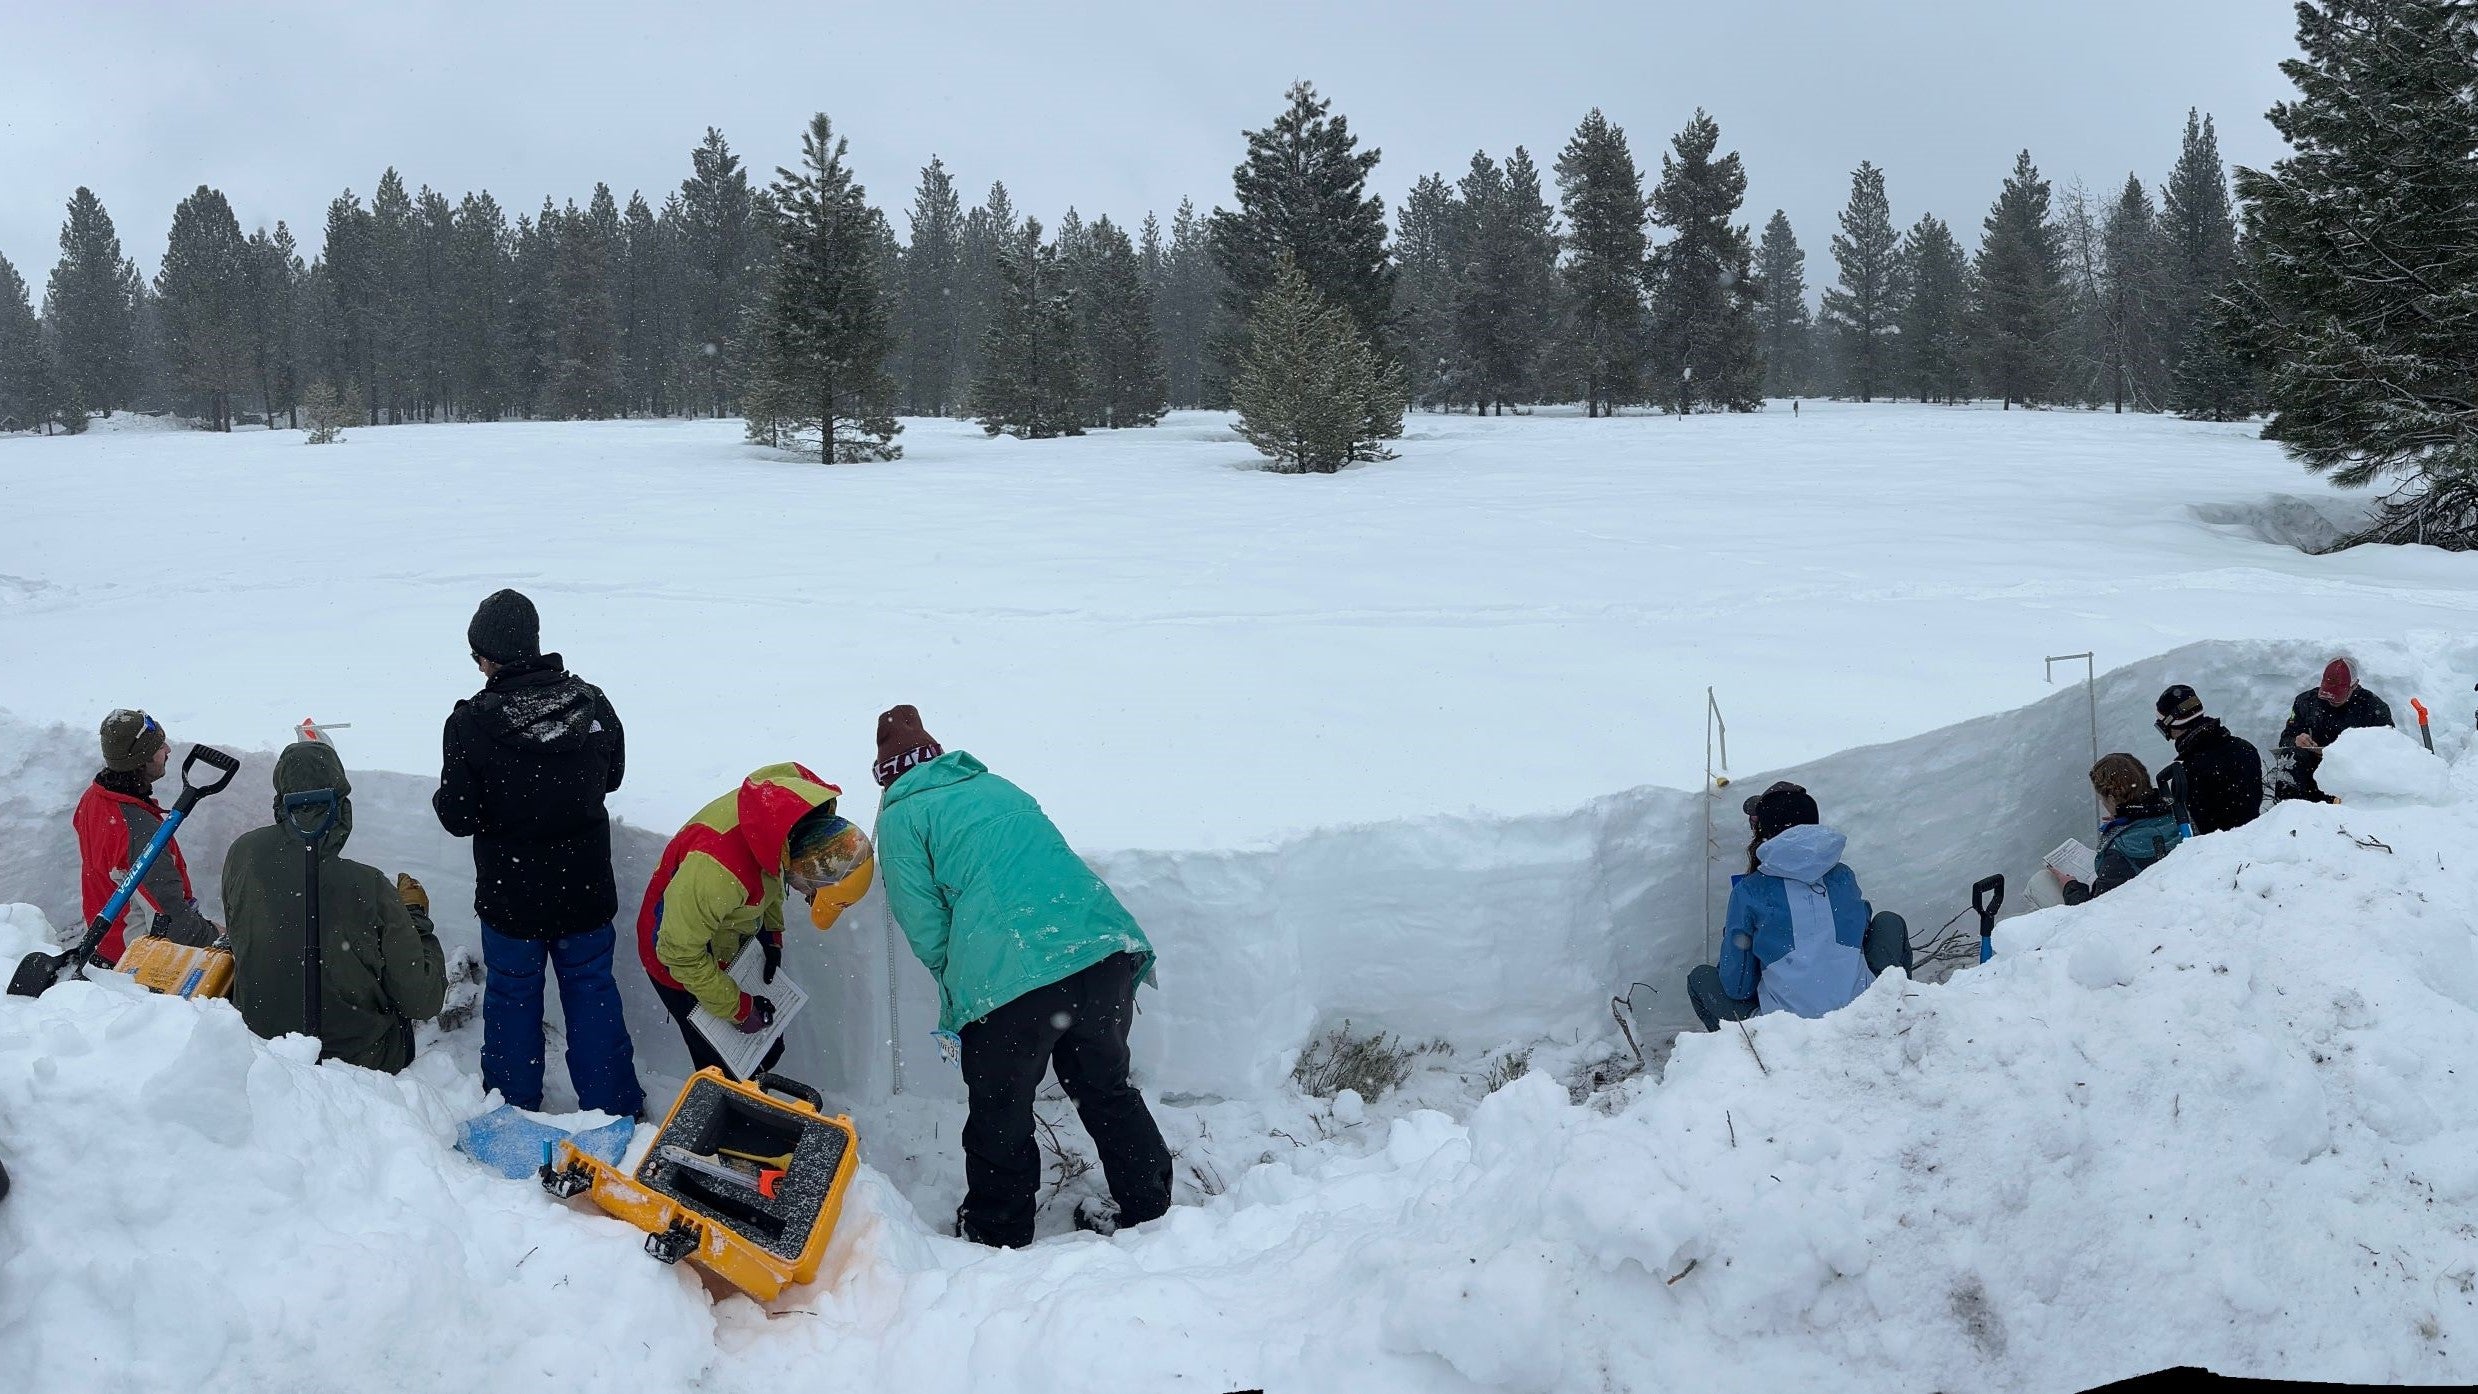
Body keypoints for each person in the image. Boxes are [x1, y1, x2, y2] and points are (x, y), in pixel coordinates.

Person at [870, 704, 1173, 1248]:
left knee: (1001, 1111)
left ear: (887, 776)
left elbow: (923, 922)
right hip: (1099, 950)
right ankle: (1151, 1211)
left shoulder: (900, 817)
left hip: (1012, 982)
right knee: (1106, 1090)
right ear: (938, 756)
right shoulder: (996, 787)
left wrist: (964, 976)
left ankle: (998, 1232)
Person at [433, 589, 643, 1119]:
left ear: (489, 656)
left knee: (512, 997)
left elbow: (457, 816)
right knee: (591, 991)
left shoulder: (470, 724)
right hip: (585, 888)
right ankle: (613, 1104)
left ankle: (510, 1103)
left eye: (476, 654)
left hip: (512, 895)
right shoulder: (591, 704)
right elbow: (611, 775)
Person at [635, 763, 874, 1078]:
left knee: (767, 1048)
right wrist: (738, 1008)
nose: (803, 897)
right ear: (801, 872)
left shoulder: (783, 826)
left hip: (721, 935)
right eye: (808, 894)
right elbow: (678, 953)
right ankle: (725, 1107)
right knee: (722, 1068)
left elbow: (773, 874)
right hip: (675, 957)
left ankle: (746, 1087)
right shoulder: (718, 871)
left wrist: (772, 934)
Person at [223, 741, 448, 1073]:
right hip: (357, 1060)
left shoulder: (244, 854)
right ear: (341, 805)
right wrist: (415, 919)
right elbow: (421, 1000)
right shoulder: (368, 885)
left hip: (263, 1044)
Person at [1685, 785, 1889, 1032]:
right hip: (1861, 1014)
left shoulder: (1750, 891)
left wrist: (1743, 937)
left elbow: (1737, 987)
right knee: (1890, 923)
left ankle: (1746, 1056)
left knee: (1700, 979)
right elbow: (1861, 929)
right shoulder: (1842, 876)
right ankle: (1894, 1015)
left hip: (1788, 1035)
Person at [73, 708, 221, 966]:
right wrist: (217, 937)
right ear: (140, 760)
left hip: (105, 942)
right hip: (136, 960)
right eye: (158, 746)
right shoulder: (140, 834)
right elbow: (177, 926)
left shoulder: (94, 798)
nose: (168, 750)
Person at [2059, 754, 2183, 905]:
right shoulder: (2179, 814)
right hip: (2173, 900)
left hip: (2139, 911)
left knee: (2040, 881)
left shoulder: (2119, 852)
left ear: (2111, 799)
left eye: (2102, 799)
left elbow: (2094, 913)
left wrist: (2071, 887)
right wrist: (2128, 819)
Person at [2273, 658, 2395, 803]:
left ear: (2354, 685)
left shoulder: (2374, 708)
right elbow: (2286, 739)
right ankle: (2287, 811)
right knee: (2290, 755)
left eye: (2338, 696)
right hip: (2311, 773)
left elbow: (2388, 750)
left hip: (2354, 774)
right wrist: (2296, 740)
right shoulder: (2306, 702)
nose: (2332, 700)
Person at [2152, 685, 2264, 835]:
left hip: (2218, 852)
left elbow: (2196, 830)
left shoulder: (2188, 773)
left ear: (2172, 723)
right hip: (2258, 837)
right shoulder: (2244, 747)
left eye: (2162, 727)